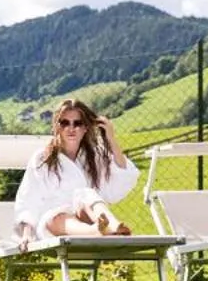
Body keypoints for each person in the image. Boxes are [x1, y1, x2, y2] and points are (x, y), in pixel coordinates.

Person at [12, 99, 138, 240]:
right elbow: (29, 198)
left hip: (87, 217)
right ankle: (98, 230)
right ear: (57, 126)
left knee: (86, 194)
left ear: (85, 128)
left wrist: (111, 139)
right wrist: (26, 235)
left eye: (77, 123)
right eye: (65, 123)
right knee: (57, 217)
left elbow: (123, 174)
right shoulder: (43, 159)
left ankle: (112, 225)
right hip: (56, 225)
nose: (71, 128)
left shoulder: (94, 156)